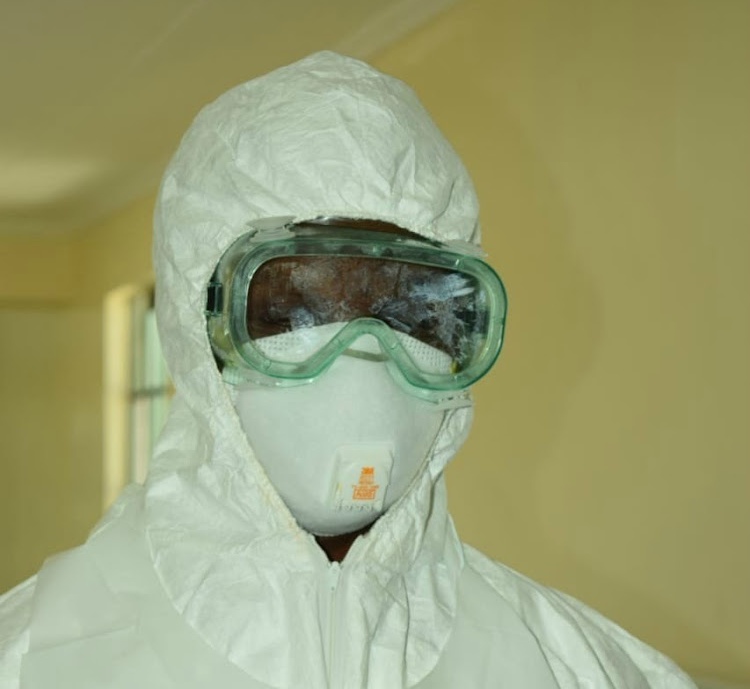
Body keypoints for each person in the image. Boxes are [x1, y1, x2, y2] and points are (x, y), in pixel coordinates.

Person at [0, 51, 696, 688]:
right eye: (291, 311)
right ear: (195, 329)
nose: (362, 356)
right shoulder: (39, 656)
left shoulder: (577, 669)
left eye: (412, 311)